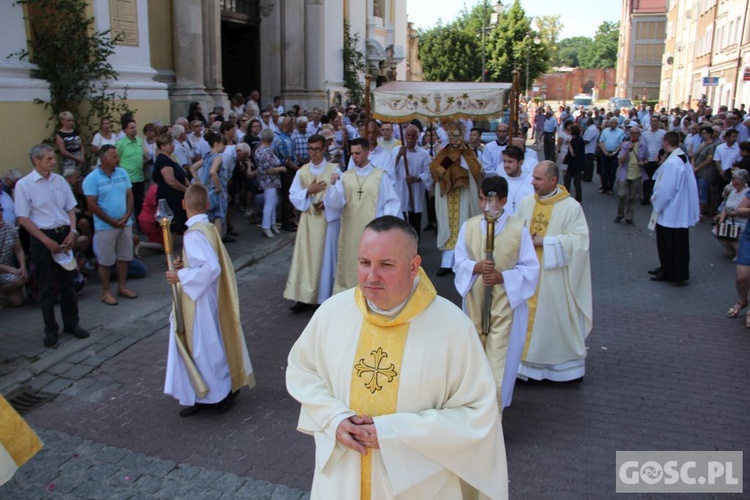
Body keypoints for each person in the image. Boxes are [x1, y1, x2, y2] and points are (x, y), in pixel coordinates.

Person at [286, 216, 509, 499]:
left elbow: (478, 414)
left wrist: (395, 433)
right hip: (343, 481)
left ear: (414, 267)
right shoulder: (333, 313)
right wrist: (333, 419)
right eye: (364, 263)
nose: (371, 276)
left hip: (419, 486)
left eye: (386, 265)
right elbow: (303, 371)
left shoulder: (452, 327)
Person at [164, 184, 255, 416]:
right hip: (207, 297)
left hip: (199, 302)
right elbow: (207, 261)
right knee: (210, 345)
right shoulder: (207, 227)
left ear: (183, 205)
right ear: (207, 205)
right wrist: (184, 265)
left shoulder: (193, 234)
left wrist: (180, 276)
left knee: (204, 349)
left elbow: (210, 267)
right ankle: (207, 392)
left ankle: (217, 394)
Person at [454, 176, 539, 409]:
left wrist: (503, 277)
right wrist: (475, 267)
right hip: (475, 302)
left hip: (506, 307)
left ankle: (495, 410)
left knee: (500, 362)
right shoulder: (469, 226)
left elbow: (531, 268)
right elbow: (459, 260)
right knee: (473, 362)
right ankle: (472, 410)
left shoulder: (517, 229)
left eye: (489, 201)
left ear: (503, 201)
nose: (483, 206)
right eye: (481, 199)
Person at [515, 161, 592, 382]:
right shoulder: (526, 203)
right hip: (529, 275)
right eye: (533, 177)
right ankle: (526, 370)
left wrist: (546, 242)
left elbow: (580, 241)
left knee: (556, 322)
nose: (532, 182)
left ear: (553, 181)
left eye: (538, 179)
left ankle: (565, 372)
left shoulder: (571, 207)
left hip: (555, 278)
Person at [15, 144, 90, 347]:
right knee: (46, 286)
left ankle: (71, 323)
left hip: (64, 234)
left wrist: (73, 232)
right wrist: (45, 240)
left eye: (52, 158)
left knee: (69, 282)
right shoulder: (24, 185)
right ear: (36, 161)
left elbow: (70, 209)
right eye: (48, 159)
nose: (53, 161)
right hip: (42, 237)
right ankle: (50, 329)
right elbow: (23, 218)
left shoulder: (59, 181)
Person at [325, 137, 400, 293]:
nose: (355, 157)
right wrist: (332, 185)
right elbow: (336, 203)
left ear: (367, 153)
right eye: (352, 154)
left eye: (358, 153)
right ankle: (347, 295)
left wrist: (383, 222)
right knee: (350, 264)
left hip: (373, 231)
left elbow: (392, 202)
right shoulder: (346, 176)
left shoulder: (380, 176)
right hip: (350, 232)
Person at [283, 134, 342, 312]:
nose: (313, 153)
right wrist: (308, 192)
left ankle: (324, 297)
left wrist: (328, 203)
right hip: (308, 222)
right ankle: (304, 297)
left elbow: (341, 194)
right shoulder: (302, 171)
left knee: (325, 259)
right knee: (306, 258)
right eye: (310, 149)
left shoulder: (334, 170)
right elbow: (293, 194)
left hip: (327, 221)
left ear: (324, 149)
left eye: (317, 149)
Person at [83, 144, 137, 306]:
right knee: (105, 261)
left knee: (123, 257)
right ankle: (106, 291)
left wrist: (127, 215)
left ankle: (122, 287)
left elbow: (130, 195)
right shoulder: (92, 179)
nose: (118, 159)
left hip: (124, 224)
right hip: (105, 227)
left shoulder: (122, 173)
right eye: (114, 156)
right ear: (104, 158)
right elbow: (92, 205)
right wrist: (110, 221)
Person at [430, 121, 482, 276]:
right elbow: (437, 169)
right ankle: (446, 263)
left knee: (463, 225)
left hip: (464, 192)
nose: (455, 143)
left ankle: (463, 262)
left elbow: (476, 169)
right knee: (448, 226)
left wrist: (461, 160)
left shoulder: (468, 152)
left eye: (458, 139)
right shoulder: (444, 152)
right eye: (453, 138)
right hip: (447, 194)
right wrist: (451, 157)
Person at [648, 131, 700, 282]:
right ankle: (667, 267)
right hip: (677, 208)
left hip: (671, 210)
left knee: (668, 243)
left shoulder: (673, 163)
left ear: (665, 142)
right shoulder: (680, 158)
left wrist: (655, 200)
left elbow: (667, 189)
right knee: (675, 243)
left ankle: (670, 272)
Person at [393, 125, 432, 239]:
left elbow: (428, 172)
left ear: (417, 137)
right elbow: (389, 169)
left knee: (415, 219)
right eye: (408, 135)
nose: (410, 138)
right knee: (401, 220)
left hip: (415, 190)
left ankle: (415, 244)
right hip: (401, 190)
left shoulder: (423, 154)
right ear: (404, 136)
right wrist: (398, 156)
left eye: (413, 135)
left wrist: (417, 178)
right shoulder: (396, 151)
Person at [116, 117, 149, 222]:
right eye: (131, 128)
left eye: (135, 127)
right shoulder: (121, 144)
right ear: (125, 130)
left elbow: (143, 156)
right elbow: (116, 159)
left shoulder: (140, 141)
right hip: (127, 178)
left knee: (139, 201)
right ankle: (127, 221)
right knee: (127, 202)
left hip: (139, 177)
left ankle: (140, 224)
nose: (135, 129)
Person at [254, 128, 285, 238]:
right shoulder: (265, 151)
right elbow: (269, 170)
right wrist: (281, 169)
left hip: (268, 180)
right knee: (270, 204)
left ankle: (272, 224)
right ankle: (266, 226)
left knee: (272, 202)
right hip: (269, 180)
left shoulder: (259, 149)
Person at [614, 126, 649, 225]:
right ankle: (620, 214)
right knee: (621, 195)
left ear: (639, 135)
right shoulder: (625, 145)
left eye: (636, 133)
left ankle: (629, 217)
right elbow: (620, 160)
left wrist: (643, 163)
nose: (633, 135)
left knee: (632, 197)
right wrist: (628, 150)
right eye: (632, 133)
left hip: (636, 174)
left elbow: (646, 159)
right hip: (625, 173)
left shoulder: (643, 146)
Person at [714, 169, 750, 261]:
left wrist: (736, 212)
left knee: (735, 234)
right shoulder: (733, 192)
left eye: (734, 178)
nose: (732, 180)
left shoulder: (747, 193)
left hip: (741, 221)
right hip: (730, 219)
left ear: (741, 180)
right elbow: (726, 208)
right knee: (716, 231)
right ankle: (732, 247)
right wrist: (721, 222)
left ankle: (737, 250)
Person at [0, 205, 27, 306]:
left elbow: (19, 250)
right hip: (5, 268)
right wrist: (9, 269)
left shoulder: (10, 227)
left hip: (6, 270)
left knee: (17, 302)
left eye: (1, 210)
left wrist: (22, 267)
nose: (0, 213)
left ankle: (2, 291)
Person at [499, 145, 534, 215]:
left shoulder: (532, 182)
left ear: (521, 163)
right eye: (504, 161)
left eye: (510, 162)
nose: (506, 165)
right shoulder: (499, 182)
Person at [598, 118, 626, 194]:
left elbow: (621, 144)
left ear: (617, 123)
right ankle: (604, 187)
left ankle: (610, 188)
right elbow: (601, 141)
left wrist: (614, 152)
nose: (612, 124)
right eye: (611, 122)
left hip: (615, 154)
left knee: (612, 172)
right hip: (605, 153)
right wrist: (604, 151)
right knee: (603, 171)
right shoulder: (605, 131)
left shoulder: (621, 132)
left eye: (614, 123)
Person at [563, 123, 585, 203]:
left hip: (577, 165)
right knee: (567, 182)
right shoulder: (574, 139)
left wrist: (569, 144)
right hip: (572, 164)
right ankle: (565, 198)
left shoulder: (579, 140)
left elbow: (573, 153)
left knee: (576, 183)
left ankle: (578, 200)